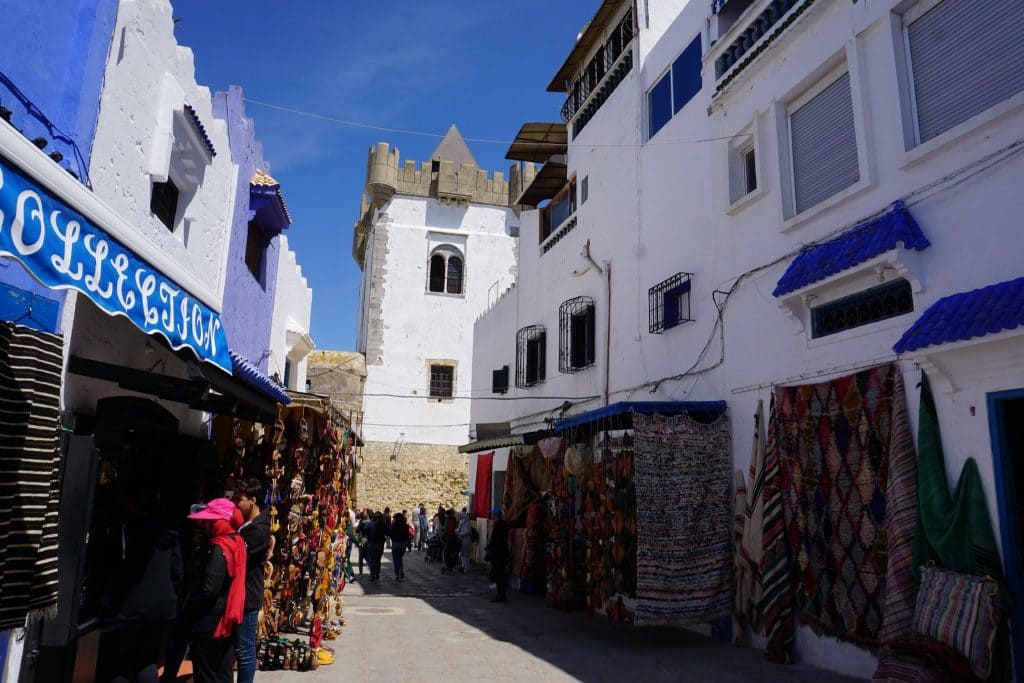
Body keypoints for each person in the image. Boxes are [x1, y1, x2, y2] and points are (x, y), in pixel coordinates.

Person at [96, 487, 182, 683]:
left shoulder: (126, 529)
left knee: (118, 663)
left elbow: (109, 563)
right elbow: (178, 574)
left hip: (129, 603)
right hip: (160, 606)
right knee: (147, 660)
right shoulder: (169, 535)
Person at [184, 498, 247, 682]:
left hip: (211, 621)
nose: (204, 526)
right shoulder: (237, 542)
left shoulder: (220, 548)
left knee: (206, 672)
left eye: (208, 522)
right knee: (222, 670)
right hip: (227, 617)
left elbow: (210, 589)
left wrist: (190, 606)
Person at [234, 479, 270, 683]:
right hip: (243, 594)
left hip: (248, 596)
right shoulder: (249, 526)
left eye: (241, 499)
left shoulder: (258, 531)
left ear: (253, 500)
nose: (237, 504)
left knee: (246, 650)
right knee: (241, 648)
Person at [487, 507, 509, 603]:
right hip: (501, 553)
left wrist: (491, 546)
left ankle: (500, 595)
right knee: (499, 574)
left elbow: (497, 540)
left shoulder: (499, 525)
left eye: (492, 514)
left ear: (496, 515)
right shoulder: (503, 524)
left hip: (498, 554)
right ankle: (500, 594)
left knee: (498, 575)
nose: (491, 516)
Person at [366, 511, 388, 581]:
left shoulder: (370, 524)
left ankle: (372, 574)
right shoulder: (384, 524)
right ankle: (377, 574)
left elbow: (366, 531)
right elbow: (387, 532)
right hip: (380, 544)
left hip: (371, 543)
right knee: (378, 560)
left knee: (372, 559)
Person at [390, 512, 410, 580]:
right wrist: (409, 545)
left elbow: (391, 535)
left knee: (396, 559)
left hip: (396, 543)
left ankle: (397, 574)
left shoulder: (394, 526)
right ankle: (401, 571)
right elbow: (407, 536)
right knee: (400, 558)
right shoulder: (406, 526)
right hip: (403, 544)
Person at [457, 509, 472, 574]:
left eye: (460, 515)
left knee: (466, 555)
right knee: (462, 554)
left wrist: (460, 533)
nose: (459, 517)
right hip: (462, 540)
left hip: (466, 540)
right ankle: (463, 566)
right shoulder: (462, 522)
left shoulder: (466, 523)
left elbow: (467, 532)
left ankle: (466, 567)